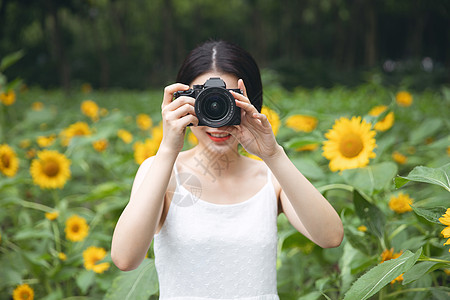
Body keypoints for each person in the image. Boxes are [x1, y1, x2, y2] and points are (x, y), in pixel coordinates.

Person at [111, 40, 343, 299]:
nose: (216, 115)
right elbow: (125, 258)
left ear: (252, 103)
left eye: (229, 100)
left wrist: (273, 154)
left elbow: (330, 237)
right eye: (206, 101)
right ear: (182, 103)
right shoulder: (161, 172)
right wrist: (167, 149)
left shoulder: (271, 177)